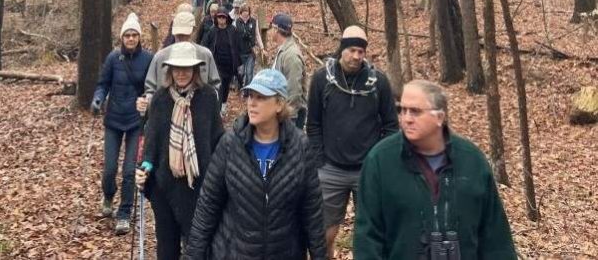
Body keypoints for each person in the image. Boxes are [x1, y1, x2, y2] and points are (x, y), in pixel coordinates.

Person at [353, 80, 517, 259]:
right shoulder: (381, 161)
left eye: (415, 111)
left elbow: (495, 237)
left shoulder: (472, 161)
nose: (406, 119)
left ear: (440, 117)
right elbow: (367, 238)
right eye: (402, 110)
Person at [185, 69, 327, 260]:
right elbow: (208, 205)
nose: (251, 103)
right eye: (250, 96)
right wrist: (193, 255)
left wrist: (319, 255)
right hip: (233, 252)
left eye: (260, 97)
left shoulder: (300, 148)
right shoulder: (230, 144)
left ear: (279, 104)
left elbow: (312, 212)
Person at [306, 25, 399, 257]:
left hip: (367, 171)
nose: (357, 56)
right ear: (342, 50)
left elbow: (391, 126)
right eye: (352, 51)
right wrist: (319, 159)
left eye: (361, 52)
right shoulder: (321, 80)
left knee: (370, 233)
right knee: (324, 233)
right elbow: (313, 123)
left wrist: (378, 162)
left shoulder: (378, 82)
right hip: (330, 169)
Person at [135, 42, 225, 260]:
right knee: (167, 249)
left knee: (198, 249)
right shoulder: (159, 99)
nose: (182, 73)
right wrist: (144, 168)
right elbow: (152, 144)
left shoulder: (208, 98)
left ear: (195, 70)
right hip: (164, 187)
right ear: (170, 70)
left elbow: (217, 140)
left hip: (199, 187)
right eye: (177, 68)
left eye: (187, 68)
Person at [90, 13, 154, 235]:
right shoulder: (112, 58)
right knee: (109, 169)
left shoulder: (148, 59)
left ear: (139, 37)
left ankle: (124, 214)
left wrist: (147, 99)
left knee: (129, 171)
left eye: (134, 35)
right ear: (121, 37)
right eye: (127, 35)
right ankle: (108, 195)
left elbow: (152, 87)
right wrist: (97, 99)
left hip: (137, 122)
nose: (130, 38)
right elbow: (102, 84)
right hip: (114, 121)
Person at [143, 6, 221, 102]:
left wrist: (209, 104)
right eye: (179, 35)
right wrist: (150, 103)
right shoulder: (160, 57)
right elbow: (150, 88)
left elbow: (215, 85)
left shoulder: (205, 55)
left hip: (198, 111)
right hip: (166, 111)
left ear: (194, 30)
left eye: (185, 35)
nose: (182, 38)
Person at [270, 12, 307, 129]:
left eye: (271, 27)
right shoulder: (284, 51)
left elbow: (294, 91)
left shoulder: (291, 56)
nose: (270, 30)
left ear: (276, 29)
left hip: (290, 118)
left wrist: (286, 118)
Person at [201, 9, 242, 116]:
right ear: (216, 18)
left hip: (229, 64)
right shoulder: (212, 31)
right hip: (216, 64)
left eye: (223, 17)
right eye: (219, 17)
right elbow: (204, 45)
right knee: (219, 85)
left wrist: (239, 63)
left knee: (226, 85)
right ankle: (218, 109)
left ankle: (223, 104)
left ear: (227, 18)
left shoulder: (233, 30)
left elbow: (238, 46)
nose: (221, 19)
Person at [233, 3, 265, 88]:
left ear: (249, 12)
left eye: (247, 11)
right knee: (241, 72)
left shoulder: (254, 21)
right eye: (243, 11)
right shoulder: (236, 22)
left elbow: (257, 35)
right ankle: (239, 86)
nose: (245, 13)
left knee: (249, 73)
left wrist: (262, 48)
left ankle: (247, 92)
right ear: (241, 12)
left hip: (251, 51)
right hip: (240, 52)